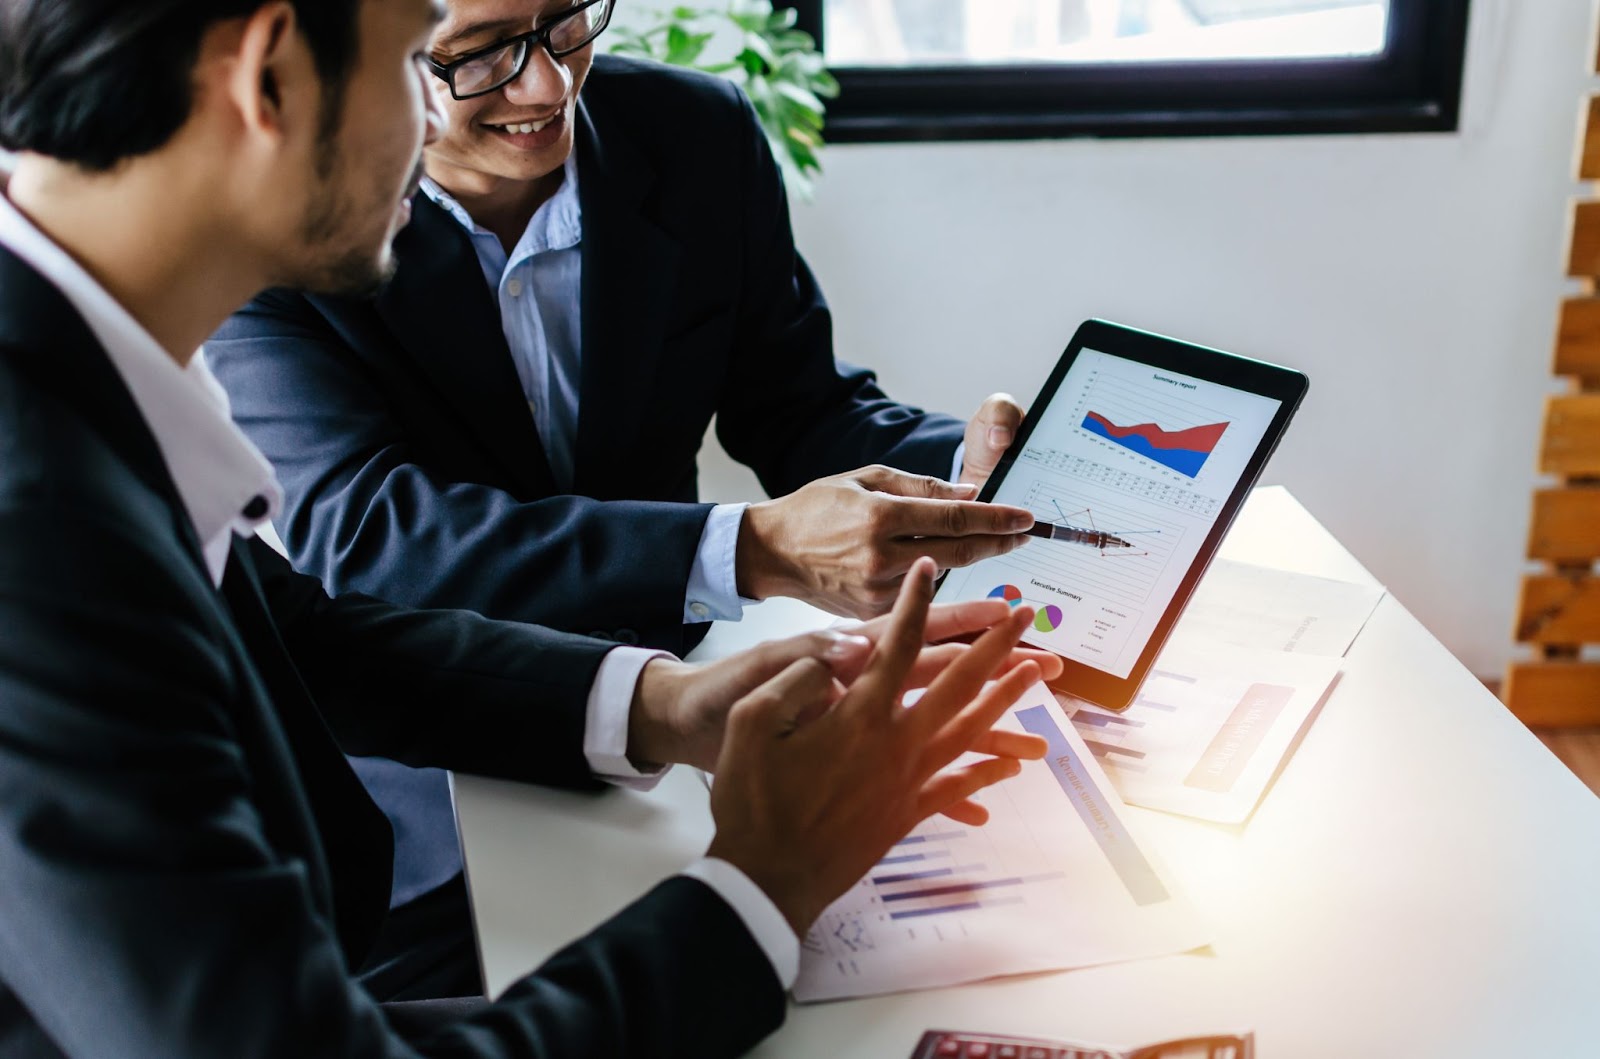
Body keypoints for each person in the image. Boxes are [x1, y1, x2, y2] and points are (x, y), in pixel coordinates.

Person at [0, 0, 1061, 1054]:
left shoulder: (70, 377)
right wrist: (764, 883)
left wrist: (661, 703)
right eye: (425, 54)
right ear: (266, 77)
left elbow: (303, 636)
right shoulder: (37, 531)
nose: (538, 92)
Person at [207, 0, 1041, 922]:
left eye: (567, 19)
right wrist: (745, 548)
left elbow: (801, 407)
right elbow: (370, 534)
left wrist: (968, 467)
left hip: (698, 715)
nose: (548, 83)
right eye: (479, 54)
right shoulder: (292, 207)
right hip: (433, 773)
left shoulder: (697, 132)